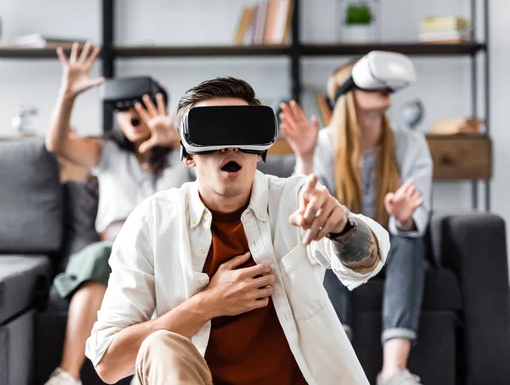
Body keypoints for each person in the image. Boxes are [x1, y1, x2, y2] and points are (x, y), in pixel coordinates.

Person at [84, 76, 392, 385]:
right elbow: (108, 362)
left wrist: (341, 228)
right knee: (160, 344)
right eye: (212, 132)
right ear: (188, 155)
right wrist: (208, 304)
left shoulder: (295, 201)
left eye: (243, 131)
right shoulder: (152, 222)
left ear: (259, 149)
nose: (230, 146)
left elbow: (367, 262)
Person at [43, 42, 192, 385]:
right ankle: (66, 375)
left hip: (165, 245)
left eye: (142, 104)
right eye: (124, 108)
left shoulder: (183, 155)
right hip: (114, 248)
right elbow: (57, 145)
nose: (133, 113)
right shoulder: (108, 153)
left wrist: (177, 145)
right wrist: (68, 93)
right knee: (99, 263)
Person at [279, 55, 433, 385]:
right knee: (326, 244)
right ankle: (337, 366)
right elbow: (304, 209)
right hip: (343, 254)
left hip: (393, 254)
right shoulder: (323, 143)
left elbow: (417, 215)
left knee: (409, 239)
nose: (384, 89)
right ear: (348, 92)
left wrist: (403, 219)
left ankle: (394, 370)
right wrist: (305, 156)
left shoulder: (412, 144)